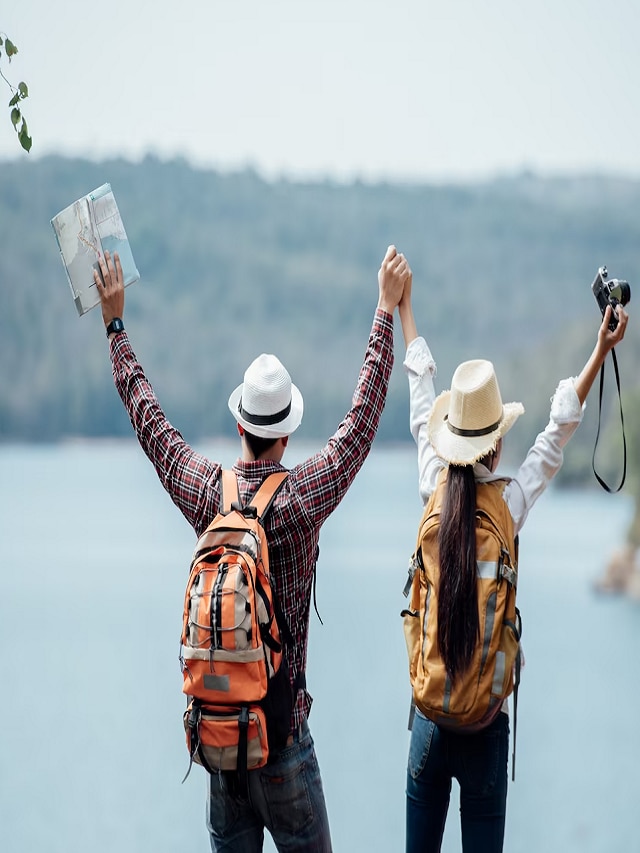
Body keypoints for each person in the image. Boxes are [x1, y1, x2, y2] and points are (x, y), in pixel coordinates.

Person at [93, 244, 410, 853]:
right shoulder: (300, 501)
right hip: (283, 740)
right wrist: (384, 310)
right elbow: (362, 420)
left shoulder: (208, 493)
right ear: (286, 431)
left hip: (221, 745)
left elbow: (151, 423)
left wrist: (116, 327)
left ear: (240, 425)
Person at [397, 273, 628, 853]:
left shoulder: (433, 489)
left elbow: (420, 395)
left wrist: (405, 309)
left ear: (450, 440)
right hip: (485, 726)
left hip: (430, 716)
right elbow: (557, 435)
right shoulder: (509, 506)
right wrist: (601, 349)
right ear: (496, 444)